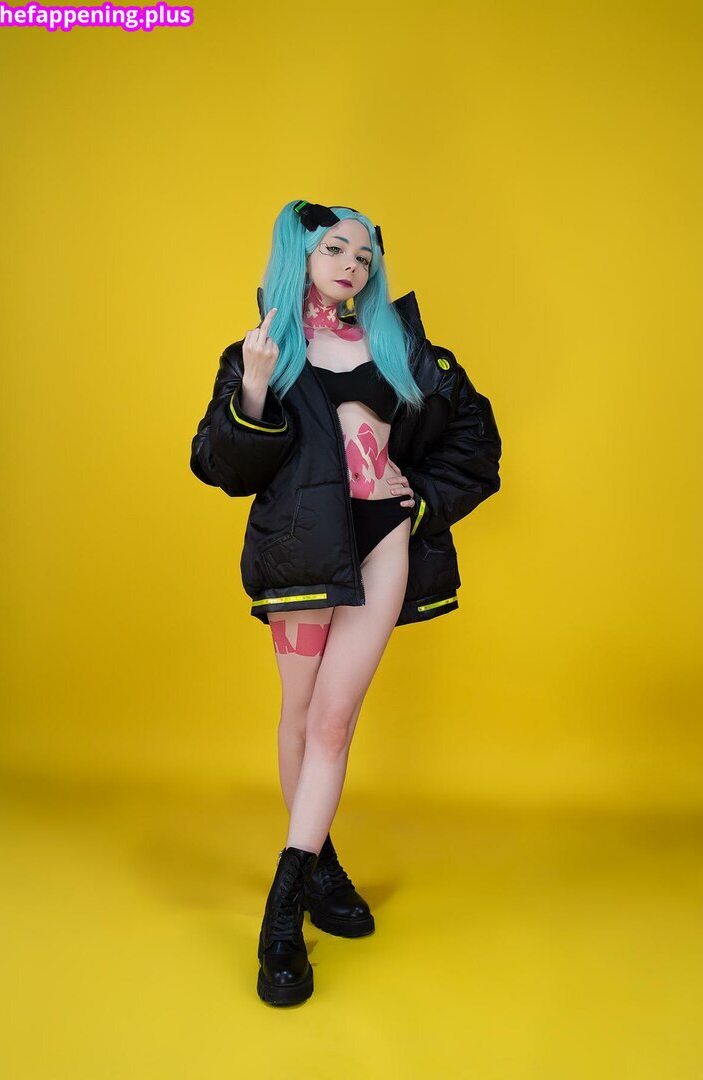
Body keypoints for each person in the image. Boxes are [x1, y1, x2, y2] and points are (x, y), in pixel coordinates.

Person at [190, 200, 502, 1006]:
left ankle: (282, 910)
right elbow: (223, 467)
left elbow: (477, 441)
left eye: (364, 256)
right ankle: (320, 869)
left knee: (333, 723)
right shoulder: (262, 352)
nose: (353, 266)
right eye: (335, 249)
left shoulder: (403, 349)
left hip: (382, 544)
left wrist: (421, 497)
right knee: (300, 718)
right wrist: (254, 385)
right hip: (303, 553)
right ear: (301, 256)